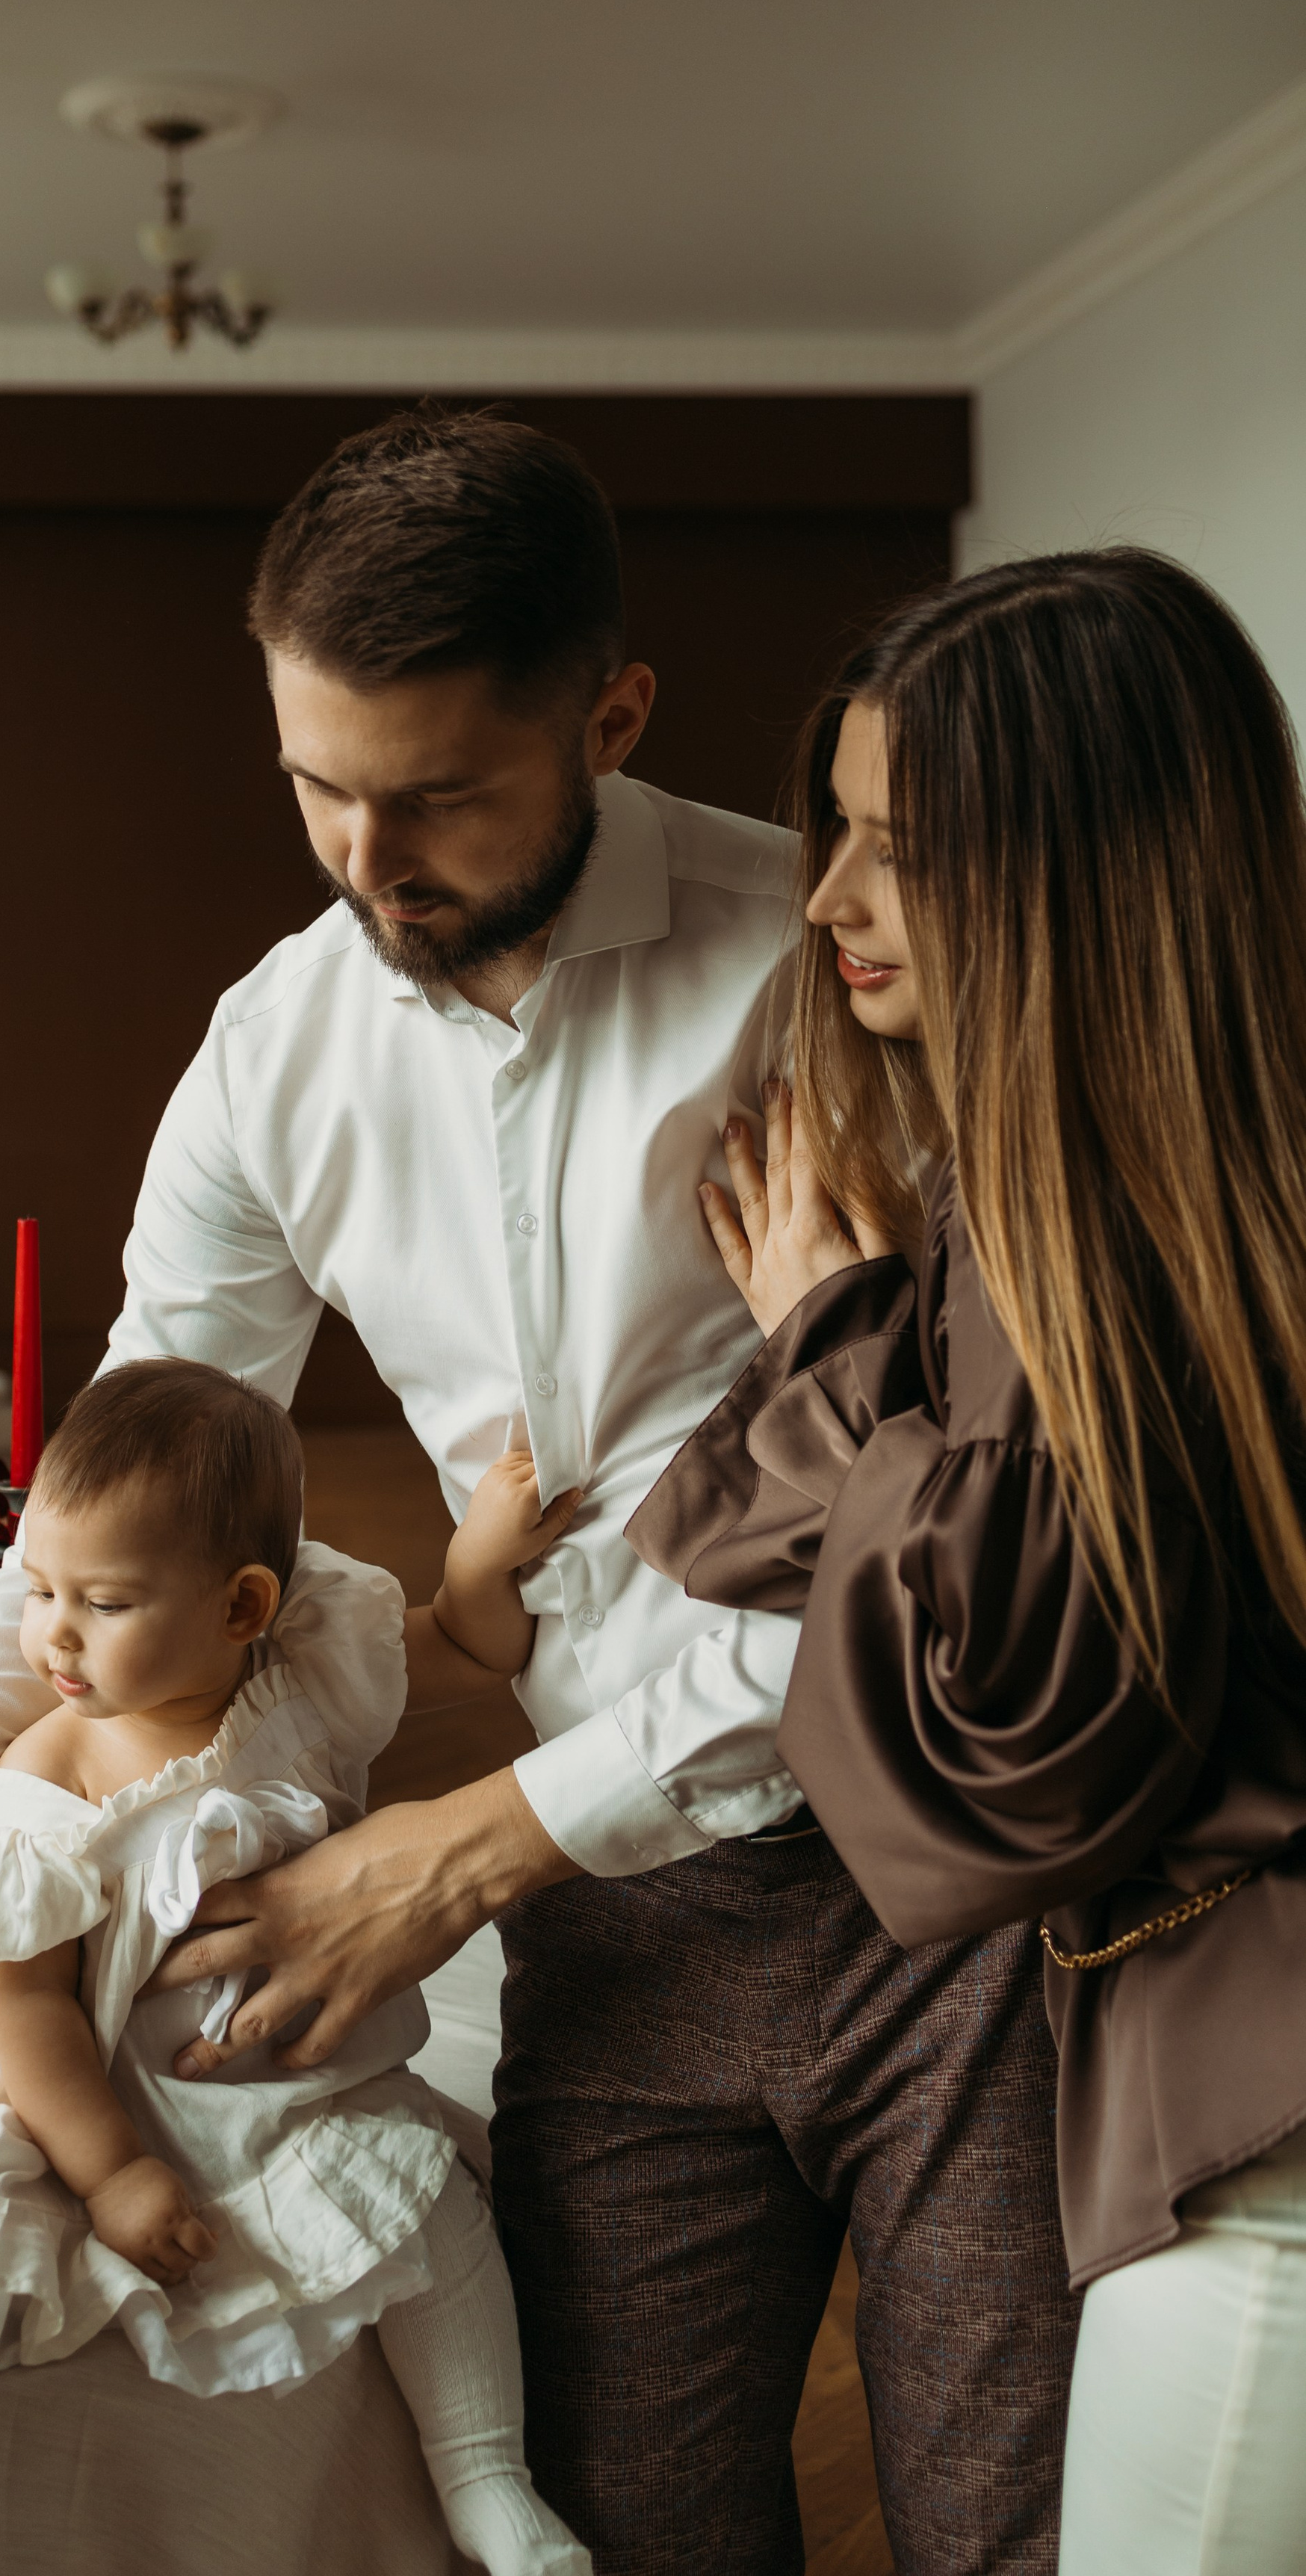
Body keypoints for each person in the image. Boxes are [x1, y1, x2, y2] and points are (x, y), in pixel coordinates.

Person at [0, 408, 1077, 2576]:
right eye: (318, 786)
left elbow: (972, 1527)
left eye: (436, 791)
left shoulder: (834, 972)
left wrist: (455, 1855)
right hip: (621, 1937)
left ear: (609, 715)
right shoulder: (273, 1052)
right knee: (620, 2534)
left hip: (959, 1896)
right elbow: (112, 1549)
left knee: (1028, 2532)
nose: (369, 855)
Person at [630, 546, 1306, 2576]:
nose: (826, 898)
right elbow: (745, 1522)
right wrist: (866, 1370)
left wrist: (841, 1347)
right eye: (833, 828)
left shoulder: (1081, 1251)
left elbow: (977, 1774)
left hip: (1260, 2149)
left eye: (894, 849)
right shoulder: (1130, 1210)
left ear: (1089, 874)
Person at [0, 1358, 588, 2572]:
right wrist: (108, 2174)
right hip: (76, 2080)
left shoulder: (306, 1688)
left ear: (243, 1607)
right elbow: (26, 2001)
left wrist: (482, 1551)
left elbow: (473, 1649)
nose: (50, 1630)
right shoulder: (54, 1770)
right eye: (38, 1586)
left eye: (102, 1602)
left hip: (272, 2079)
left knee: (433, 2204)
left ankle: (483, 2472)